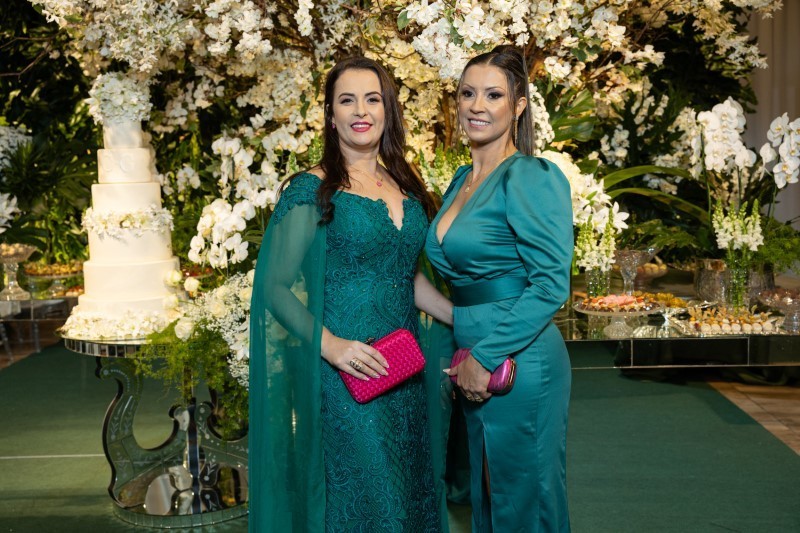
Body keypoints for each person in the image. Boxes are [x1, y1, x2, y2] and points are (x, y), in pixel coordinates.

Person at [249, 56, 453, 532]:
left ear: (387, 110)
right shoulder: (312, 189)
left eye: (372, 99)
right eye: (347, 100)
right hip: (347, 375)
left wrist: (466, 319)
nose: (361, 110)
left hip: (405, 371)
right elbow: (274, 287)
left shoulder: (404, 182)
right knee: (370, 504)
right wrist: (332, 347)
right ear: (330, 114)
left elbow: (405, 277)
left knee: (410, 499)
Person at [426, 45, 574, 532]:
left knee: (524, 502)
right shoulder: (461, 180)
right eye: (467, 94)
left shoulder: (529, 175)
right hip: (473, 353)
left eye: (493, 95)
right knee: (490, 498)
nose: (477, 106)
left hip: (519, 358)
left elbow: (550, 284)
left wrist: (485, 356)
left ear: (519, 105)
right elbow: (464, 290)